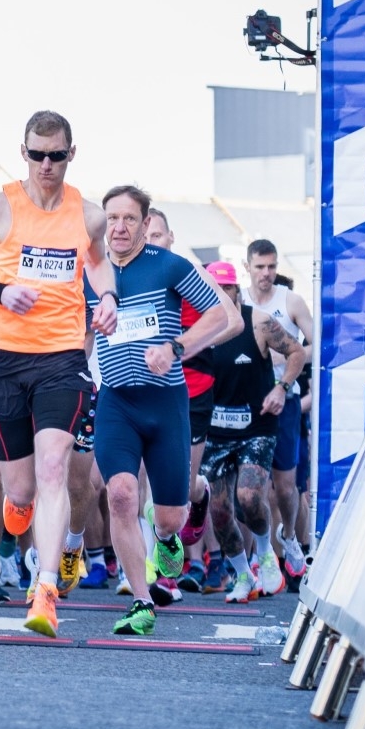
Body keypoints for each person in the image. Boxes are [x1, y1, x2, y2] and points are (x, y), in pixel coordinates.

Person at [0, 110, 119, 638]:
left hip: (62, 357)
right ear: (23, 152)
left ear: (72, 154)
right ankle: (16, 514)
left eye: (57, 155)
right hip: (0, 356)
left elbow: (96, 263)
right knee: (19, 491)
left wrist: (108, 295)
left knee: (53, 469)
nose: (47, 165)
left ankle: (45, 589)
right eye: (37, 154)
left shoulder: (88, 215)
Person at [87, 185, 236, 636]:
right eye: (111, 218)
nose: (118, 227)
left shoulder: (169, 266)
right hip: (116, 400)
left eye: (129, 218)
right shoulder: (92, 273)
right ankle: (139, 599)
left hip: (167, 402)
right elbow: (78, 331)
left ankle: (172, 532)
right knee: (121, 495)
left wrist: (176, 347)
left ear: (146, 223)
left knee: (169, 516)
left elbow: (222, 316)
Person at [196, 261, 308, 604]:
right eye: (214, 290)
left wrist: (281, 388)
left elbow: (297, 352)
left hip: (257, 425)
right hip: (215, 430)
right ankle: (242, 574)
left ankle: (265, 555)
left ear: (236, 290)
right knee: (219, 511)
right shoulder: (196, 328)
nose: (222, 297)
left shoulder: (257, 321)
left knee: (248, 495)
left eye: (227, 290)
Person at [145, 207, 215, 591]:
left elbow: (231, 321)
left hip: (193, 390)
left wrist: (180, 344)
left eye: (158, 236)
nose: (151, 243)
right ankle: (157, 576)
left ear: (171, 238)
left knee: (181, 486)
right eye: (146, 236)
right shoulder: (128, 275)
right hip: (147, 388)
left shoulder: (189, 273)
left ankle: (200, 492)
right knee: (140, 487)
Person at [240, 239, 315, 591]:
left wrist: (286, 358)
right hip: (248, 403)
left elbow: (317, 343)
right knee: (249, 487)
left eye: (271, 267)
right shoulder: (239, 301)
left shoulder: (291, 301)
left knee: (285, 488)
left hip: (285, 399)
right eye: (260, 267)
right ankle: (257, 556)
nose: (266, 274)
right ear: (248, 267)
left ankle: (289, 537)